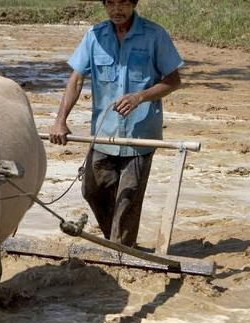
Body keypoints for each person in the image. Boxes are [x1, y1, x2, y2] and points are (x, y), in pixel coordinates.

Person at [49, 0, 183, 247]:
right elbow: (76, 79)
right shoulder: (94, 36)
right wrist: (60, 120)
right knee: (92, 190)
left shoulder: (154, 35)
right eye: (110, 3)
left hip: (139, 135)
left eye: (122, 3)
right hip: (103, 134)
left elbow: (173, 80)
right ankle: (117, 244)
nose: (116, 10)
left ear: (134, 3)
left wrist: (139, 97)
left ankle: (121, 249)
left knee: (126, 201)